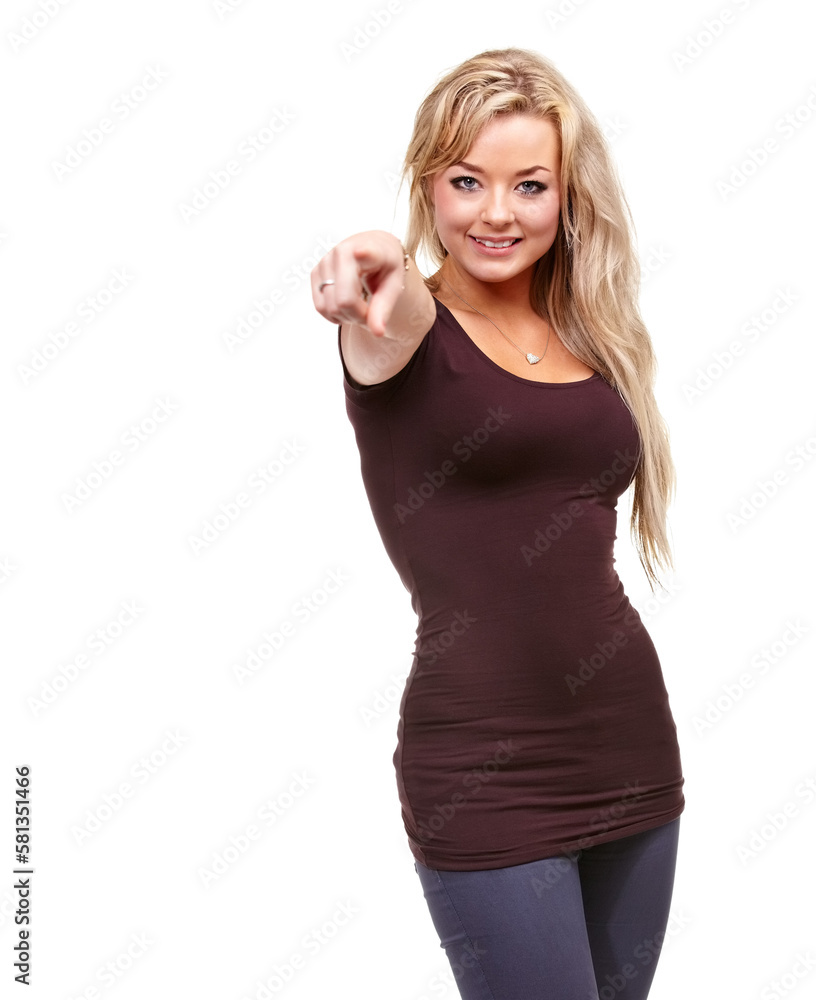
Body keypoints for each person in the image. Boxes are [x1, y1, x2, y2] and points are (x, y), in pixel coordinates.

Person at [311, 47, 685, 1000]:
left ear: (566, 198)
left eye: (530, 185)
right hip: (483, 767)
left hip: (630, 745)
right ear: (428, 185)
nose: (496, 212)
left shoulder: (591, 336)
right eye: (466, 181)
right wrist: (369, 261)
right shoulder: (409, 326)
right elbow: (379, 296)